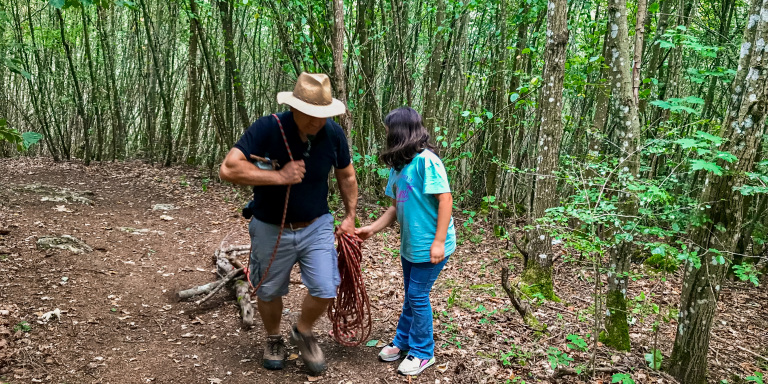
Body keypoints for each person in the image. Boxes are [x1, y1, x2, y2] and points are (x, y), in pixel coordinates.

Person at [219, 72, 358, 375]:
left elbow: (346, 175)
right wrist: (278, 177)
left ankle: (303, 331)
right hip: (270, 226)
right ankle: (273, 339)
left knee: (325, 286)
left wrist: (349, 216)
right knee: (269, 291)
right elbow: (228, 169)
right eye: (310, 115)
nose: (316, 122)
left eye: (322, 115)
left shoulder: (332, 134)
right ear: (294, 107)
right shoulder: (269, 128)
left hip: (316, 224)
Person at [355, 106, 456, 376]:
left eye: (388, 130)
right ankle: (402, 341)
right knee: (412, 296)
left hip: (431, 245)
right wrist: (371, 229)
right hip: (410, 246)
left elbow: (445, 199)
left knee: (417, 296)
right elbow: (393, 208)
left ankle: (423, 352)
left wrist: (437, 242)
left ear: (400, 131)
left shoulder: (427, 161)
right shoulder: (399, 167)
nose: (385, 134)